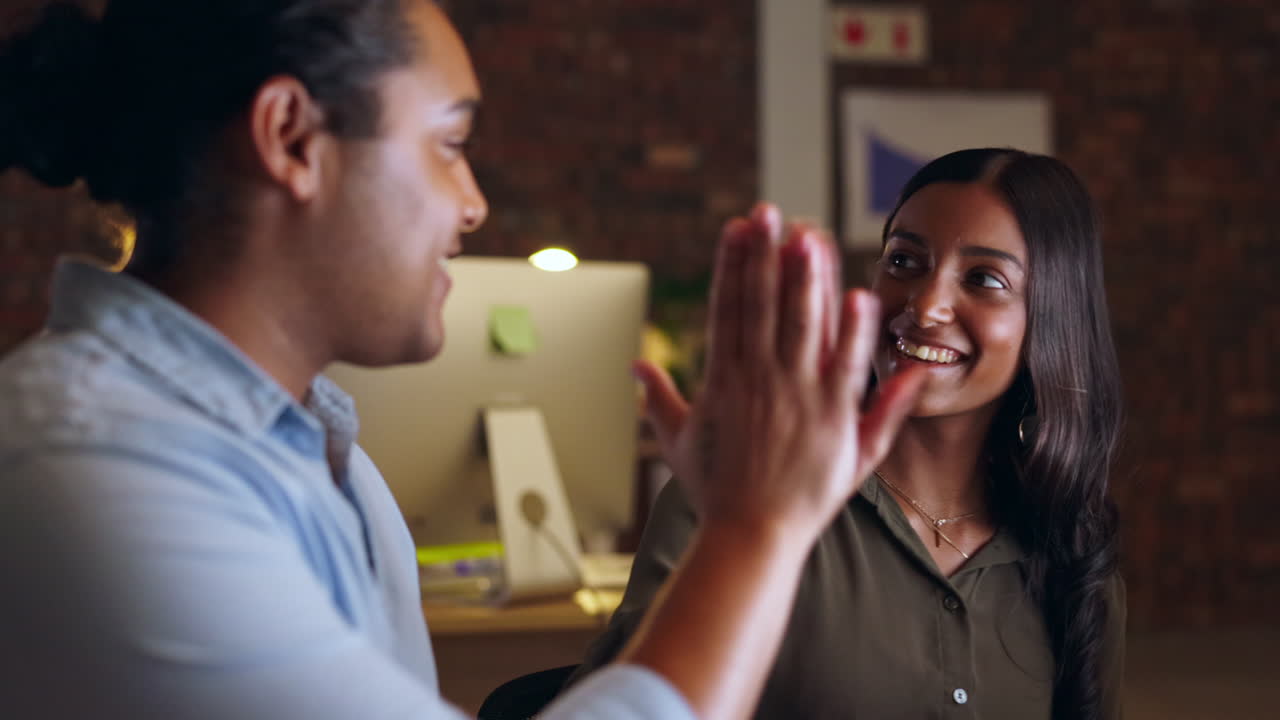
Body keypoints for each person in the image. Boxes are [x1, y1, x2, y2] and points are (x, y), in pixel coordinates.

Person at [0, 2, 927, 719]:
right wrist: (754, 526)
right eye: (449, 144)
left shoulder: (336, 468)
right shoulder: (89, 467)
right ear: (291, 138)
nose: (473, 203)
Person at [571, 148, 1128, 720]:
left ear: (1052, 317)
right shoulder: (738, 502)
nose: (927, 305)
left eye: (984, 279)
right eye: (905, 261)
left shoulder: (1071, 549)